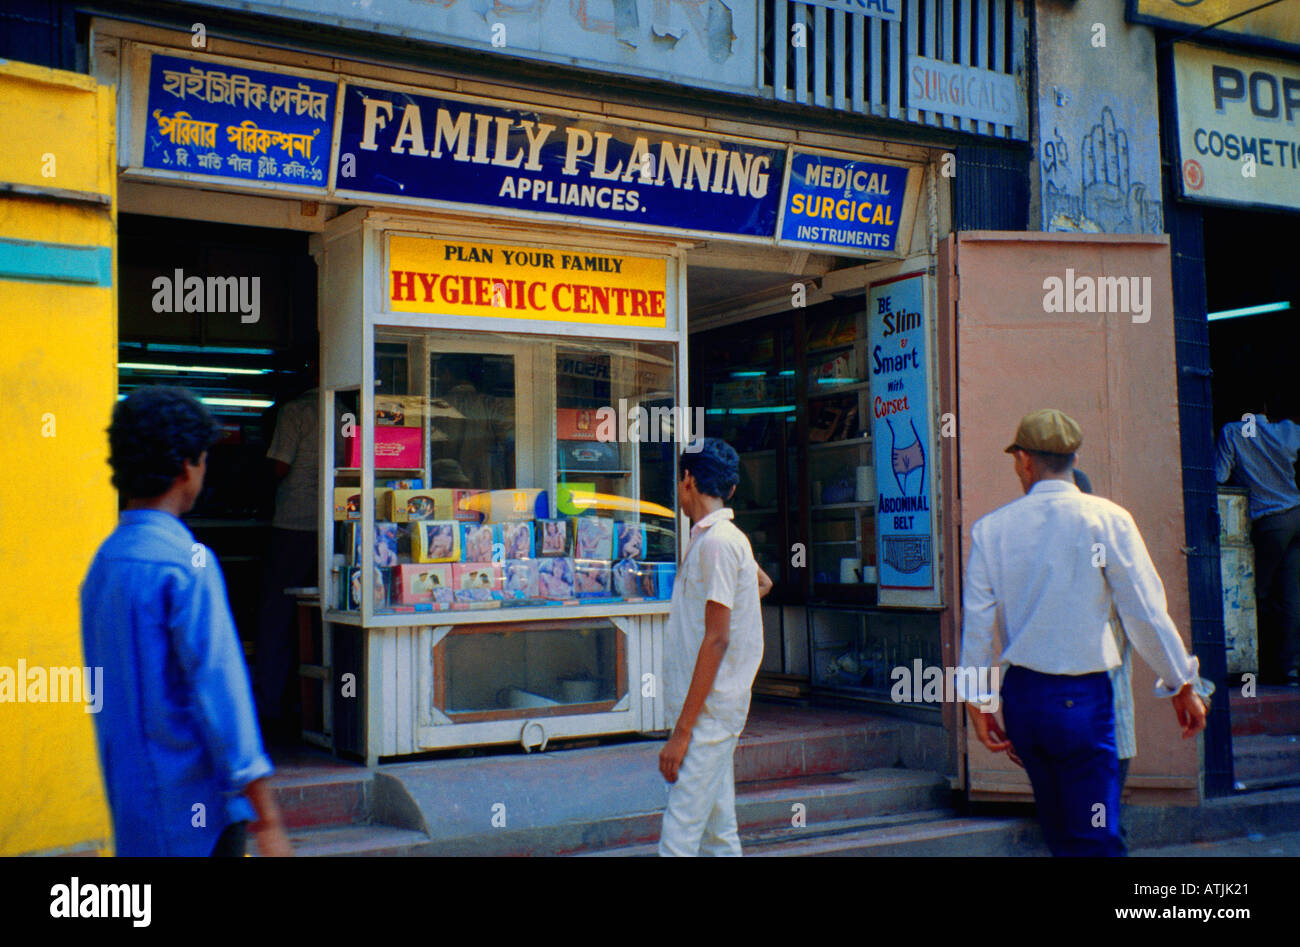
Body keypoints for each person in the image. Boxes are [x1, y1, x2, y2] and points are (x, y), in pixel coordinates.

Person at [960, 409, 1206, 857]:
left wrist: (978, 704)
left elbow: (976, 626)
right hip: (1083, 699)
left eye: (1017, 460)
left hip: (1025, 700)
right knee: (1094, 833)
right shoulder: (1108, 520)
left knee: (1060, 830)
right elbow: (1145, 614)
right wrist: (1180, 682)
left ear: (1026, 462)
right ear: (1072, 458)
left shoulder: (991, 529)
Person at [81, 387, 291, 857]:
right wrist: (268, 820)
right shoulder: (187, 564)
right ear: (186, 468)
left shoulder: (103, 566)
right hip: (199, 818)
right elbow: (222, 695)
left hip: (134, 817)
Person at [1071, 468, 1215, 801]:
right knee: (1095, 825)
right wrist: (1182, 683)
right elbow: (1147, 618)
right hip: (1104, 725)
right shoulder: (1105, 542)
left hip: (1056, 725)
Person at [658, 437, 772, 857]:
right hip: (710, 710)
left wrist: (681, 733)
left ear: (687, 480)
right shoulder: (720, 538)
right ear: (731, 488)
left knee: (680, 835)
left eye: (679, 480)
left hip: (707, 714)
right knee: (718, 834)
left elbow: (718, 637)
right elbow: (762, 583)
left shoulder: (719, 542)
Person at [253, 362, 322, 739]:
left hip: (292, 525)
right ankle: (318, 707)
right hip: (331, 529)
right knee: (320, 618)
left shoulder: (294, 411)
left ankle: (270, 707)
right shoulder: (349, 411)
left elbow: (279, 467)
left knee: (277, 617)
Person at [1214, 392, 1300, 685]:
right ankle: (1291, 669)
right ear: (1265, 408)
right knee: (1291, 596)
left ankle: (1254, 664)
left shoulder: (1232, 432)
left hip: (1270, 522)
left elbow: (1219, 476)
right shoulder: (1288, 430)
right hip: (1296, 514)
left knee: (1256, 594)